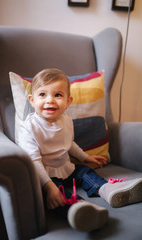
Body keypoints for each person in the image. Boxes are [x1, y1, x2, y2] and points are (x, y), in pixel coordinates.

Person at [18, 68, 142, 232]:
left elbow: (70, 144)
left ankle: (107, 190)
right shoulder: (29, 127)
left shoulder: (66, 121)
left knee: (84, 172)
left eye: (58, 95)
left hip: (65, 168)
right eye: (42, 95)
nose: (50, 101)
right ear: (32, 100)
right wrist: (49, 187)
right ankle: (79, 209)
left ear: (68, 101)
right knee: (55, 196)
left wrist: (85, 158)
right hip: (44, 175)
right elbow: (33, 161)